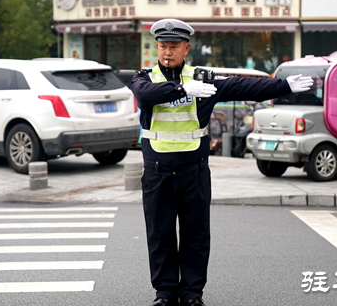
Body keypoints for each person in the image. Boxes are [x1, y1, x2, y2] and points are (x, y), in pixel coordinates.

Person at [131, 19, 313, 306]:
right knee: (160, 236)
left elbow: (243, 87)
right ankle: (165, 294)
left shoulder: (203, 80)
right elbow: (144, 96)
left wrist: (284, 85)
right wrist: (182, 90)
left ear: (186, 48)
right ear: (157, 47)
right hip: (158, 173)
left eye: (174, 47)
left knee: (196, 236)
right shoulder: (145, 78)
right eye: (163, 46)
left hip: (194, 172)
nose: (167, 52)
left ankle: (192, 295)